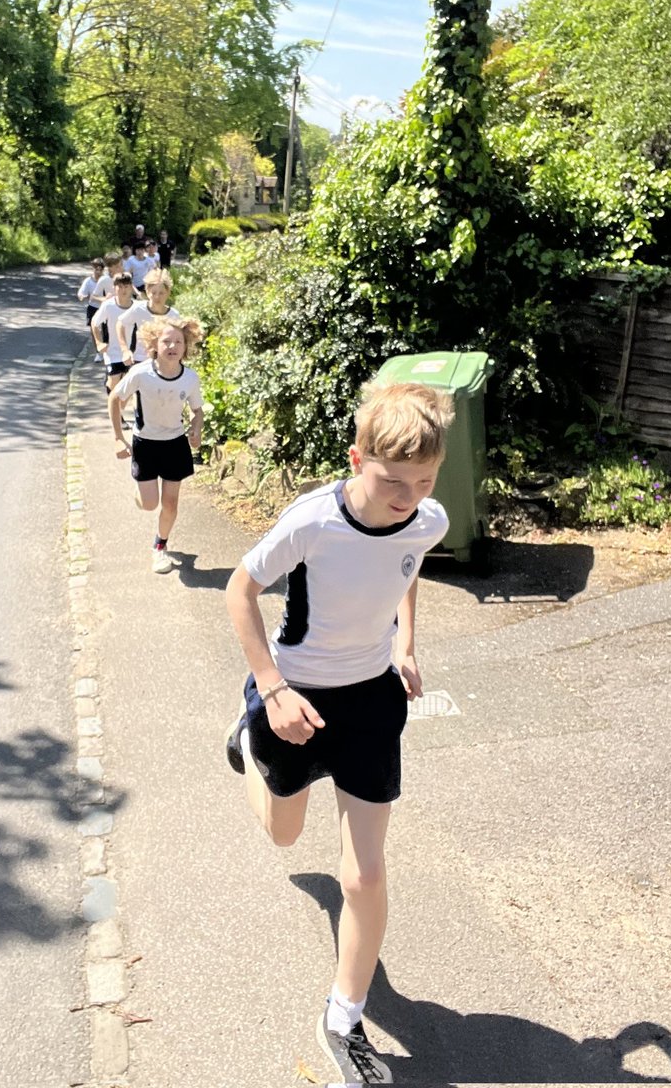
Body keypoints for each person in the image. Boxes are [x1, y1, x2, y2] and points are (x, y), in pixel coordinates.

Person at [223, 382, 454, 1084]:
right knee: (285, 837)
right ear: (356, 460)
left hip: (372, 705)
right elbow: (239, 588)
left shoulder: (428, 518)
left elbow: (405, 564)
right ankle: (246, 736)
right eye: (391, 481)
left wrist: (406, 644)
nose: (407, 496)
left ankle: (343, 1019)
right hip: (295, 701)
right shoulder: (313, 521)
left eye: (423, 481)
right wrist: (270, 689)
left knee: (366, 874)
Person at [111, 316, 204, 574]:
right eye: (166, 341)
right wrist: (118, 437)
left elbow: (197, 411)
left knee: (171, 504)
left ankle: (160, 546)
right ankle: (142, 495)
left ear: (186, 347)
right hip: (146, 445)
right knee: (150, 504)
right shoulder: (141, 373)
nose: (172, 346)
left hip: (175, 444)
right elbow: (114, 398)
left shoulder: (190, 379)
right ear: (154, 344)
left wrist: (196, 429)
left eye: (178, 342)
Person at [91, 272, 136, 458]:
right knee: (115, 383)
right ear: (114, 288)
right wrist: (99, 342)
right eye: (119, 287)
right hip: (112, 353)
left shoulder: (136, 306)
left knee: (128, 387)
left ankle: (117, 412)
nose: (123, 290)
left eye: (126, 287)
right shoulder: (108, 305)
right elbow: (94, 323)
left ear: (130, 287)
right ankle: (117, 417)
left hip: (130, 352)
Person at [116, 268, 179, 369]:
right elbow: (120, 324)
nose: (157, 297)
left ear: (168, 293)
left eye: (161, 293)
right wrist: (125, 350)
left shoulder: (174, 315)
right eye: (153, 293)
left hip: (164, 362)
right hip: (140, 360)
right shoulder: (139, 309)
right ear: (147, 291)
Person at [77, 258, 109, 363]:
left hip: (104, 308)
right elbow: (81, 293)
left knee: (106, 331)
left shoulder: (105, 280)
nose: (98, 272)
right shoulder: (88, 281)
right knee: (94, 330)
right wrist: (82, 296)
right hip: (92, 308)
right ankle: (98, 353)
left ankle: (106, 352)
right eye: (96, 269)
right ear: (93, 269)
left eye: (100, 269)